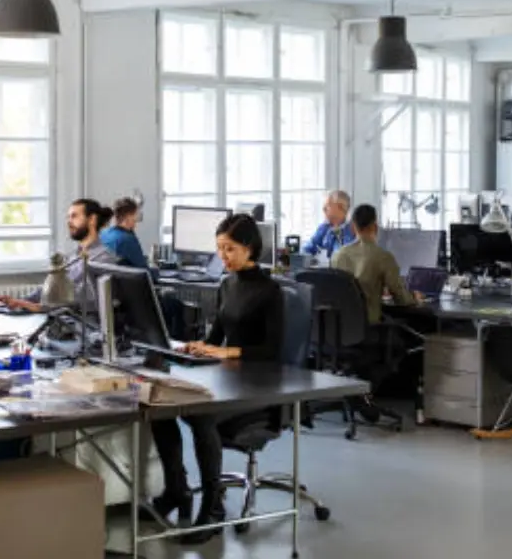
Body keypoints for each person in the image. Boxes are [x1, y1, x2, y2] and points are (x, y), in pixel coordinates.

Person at [148, 214, 285, 545]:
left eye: (230, 249)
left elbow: (271, 350)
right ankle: (176, 489)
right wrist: (198, 347)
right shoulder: (227, 284)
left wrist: (227, 352)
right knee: (158, 405)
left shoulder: (271, 291)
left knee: (201, 416)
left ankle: (213, 508)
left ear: (249, 248)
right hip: (228, 380)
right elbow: (215, 338)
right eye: (219, 248)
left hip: (258, 388)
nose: (223, 256)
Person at [0, 198, 119, 312]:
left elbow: (80, 297)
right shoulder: (73, 256)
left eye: (74, 216)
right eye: (68, 217)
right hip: (59, 317)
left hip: (82, 323)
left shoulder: (104, 259)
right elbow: (52, 288)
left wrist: (38, 307)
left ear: (92, 220)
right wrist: (18, 301)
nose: (69, 222)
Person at [333, 204, 419, 323]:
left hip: (340, 327)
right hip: (368, 326)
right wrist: (414, 297)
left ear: (353, 227)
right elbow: (402, 299)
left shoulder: (337, 256)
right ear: (375, 227)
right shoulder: (383, 257)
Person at [302, 190, 357, 259]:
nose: (323, 209)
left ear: (341, 207)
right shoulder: (324, 227)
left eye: (327, 205)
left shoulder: (353, 229)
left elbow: (344, 255)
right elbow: (308, 248)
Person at [100, 197, 149, 269]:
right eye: (135, 214)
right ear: (128, 216)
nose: (137, 219)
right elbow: (143, 268)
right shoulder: (127, 239)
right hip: (128, 275)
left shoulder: (103, 233)